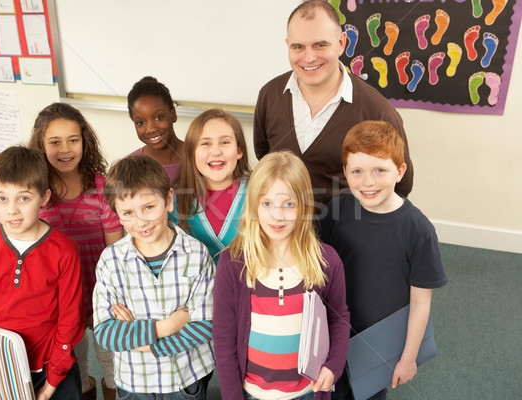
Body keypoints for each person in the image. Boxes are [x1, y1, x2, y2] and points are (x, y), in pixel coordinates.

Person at [318, 121, 448, 400]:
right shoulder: (335, 211)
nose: (368, 182)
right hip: (333, 334)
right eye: (357, 171)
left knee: (369, 395)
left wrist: (409, 358)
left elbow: (421, 302)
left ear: (399, 171)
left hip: (379, 344)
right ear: (345, 172)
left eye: (380, 170)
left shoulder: (418, 229)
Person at [213, 151, 350, 400]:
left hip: (308, 391)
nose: (277, 215)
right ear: (253, 205)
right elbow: (223, 339)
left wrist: (333, 366)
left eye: (288, 204)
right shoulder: (232, 263)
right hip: (252, 393)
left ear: (304, 206)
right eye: (267, 204)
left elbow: (339, 319)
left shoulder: (326, 261)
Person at [253, 0, 413, 208]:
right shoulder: (269, 95)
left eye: (320, 45)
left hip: (346, 233)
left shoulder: (377, 111)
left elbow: (401, 185)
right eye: (298, 47)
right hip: (282, 228)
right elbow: (264, 156)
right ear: (288, 46)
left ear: (341, 43)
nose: (309, 58)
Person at [0, 146, 84, 400]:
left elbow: (70, 321)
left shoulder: (65, 251)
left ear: (44, 197)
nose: (11, 210)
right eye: (1, 198)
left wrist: (51, 384)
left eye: (23, 198)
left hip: (52, 369)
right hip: (0, 370)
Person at [93, 155, 215, 399]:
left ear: (169, 200)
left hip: (185, 381)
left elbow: (204, 325)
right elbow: (106, 333)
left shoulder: (197, 254)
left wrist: (143, 341)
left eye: (149, 207)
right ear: (116, 213)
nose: (140, 221)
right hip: (133, 383)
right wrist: (168, 326)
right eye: (127, 212)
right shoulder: (111, 261)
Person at [29, 102, 124, 400]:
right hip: (60, 300)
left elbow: (116, 251)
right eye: (54, 142)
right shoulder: (36, 194)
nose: (65, 149)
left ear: (84, 141)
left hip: (102, 292)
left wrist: (114, 297)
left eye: (73, 139)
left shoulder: (101, 188)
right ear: (41, 145)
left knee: (111, 359)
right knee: (75, 362)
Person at [173, 108, 250, 262]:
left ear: (239, 150)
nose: (216, 151)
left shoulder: (260, 190)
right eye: (206, 143)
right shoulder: (174, 200)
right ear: (191, 152)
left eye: (225, 142)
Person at [126, 76, 184, 183]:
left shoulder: (200, 155)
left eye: (159, 117)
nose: (151, 129)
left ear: (173, 114)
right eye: (140, 123)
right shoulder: (128, 168)